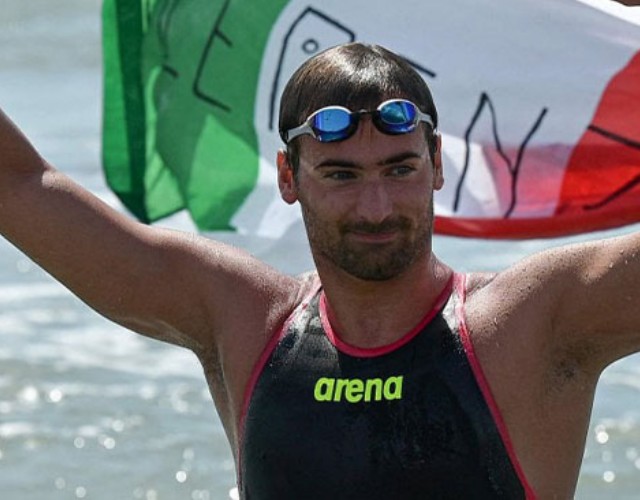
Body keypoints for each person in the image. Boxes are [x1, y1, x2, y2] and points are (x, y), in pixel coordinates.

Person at [1, 41, 639, 499]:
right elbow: (19, 185)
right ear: (288, 177)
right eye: (340, 175)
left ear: (437, 164)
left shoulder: (532, 323)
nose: (376, 207)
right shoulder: (246, 321)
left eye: (400, 168)